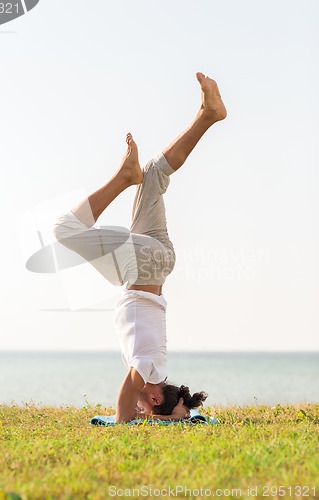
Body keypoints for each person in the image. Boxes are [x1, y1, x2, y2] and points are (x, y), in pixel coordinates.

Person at [53, 72, 227, 422]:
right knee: (65, 230)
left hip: (157, 261)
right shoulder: (150, 369)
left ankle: (208, 115)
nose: (140, 411)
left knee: (153, 175)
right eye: (146, 409)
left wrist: (180, 415)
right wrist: (123, 424)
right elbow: (129, 392)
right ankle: (122, 178)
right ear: (153, 395)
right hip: (144, 265)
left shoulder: (155, 365)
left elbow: (142, 398)